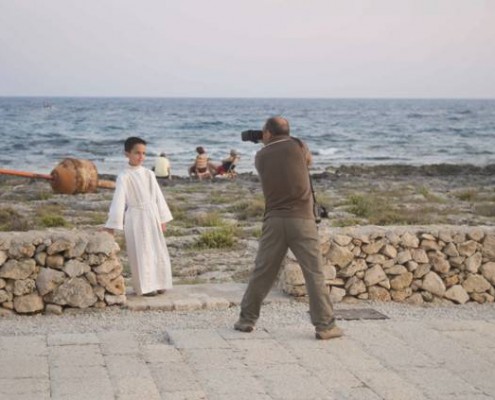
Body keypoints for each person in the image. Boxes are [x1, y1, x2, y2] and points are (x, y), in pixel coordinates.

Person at [234, 117, 343, 340]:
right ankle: (325, 326)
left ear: (267, 133)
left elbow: (274, 158)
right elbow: (308, 162)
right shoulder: (299, 146)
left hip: (274, 221)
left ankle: (246, 320)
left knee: (263, 272)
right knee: (313, 273)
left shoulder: (261, 156)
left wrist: (264, 141)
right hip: (302, 220)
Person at [104, 136, 173, 296]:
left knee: (157, 249)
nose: (141, 156)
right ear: (127, 153)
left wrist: (162, 218)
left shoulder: (149, 174)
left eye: (144, 153)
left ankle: (160, 282)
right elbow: (119, 201)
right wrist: (112, 225)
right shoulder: (124, 176)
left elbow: (158, 196)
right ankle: (146, 286)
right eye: (137, 153)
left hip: (152, 215)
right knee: (141, 251)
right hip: (135, 217)